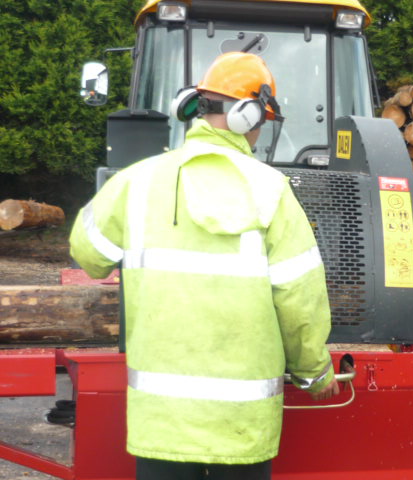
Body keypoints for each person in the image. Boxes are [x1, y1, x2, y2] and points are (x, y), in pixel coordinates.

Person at [69, 51, 339, 480]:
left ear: (192, 106)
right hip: (243, 428)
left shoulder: (135, 183)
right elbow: (299, 299)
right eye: (261, 122)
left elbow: (87, 253)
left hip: (161, 423)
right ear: (247, 116)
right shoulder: (272, 191)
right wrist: (315, 372)